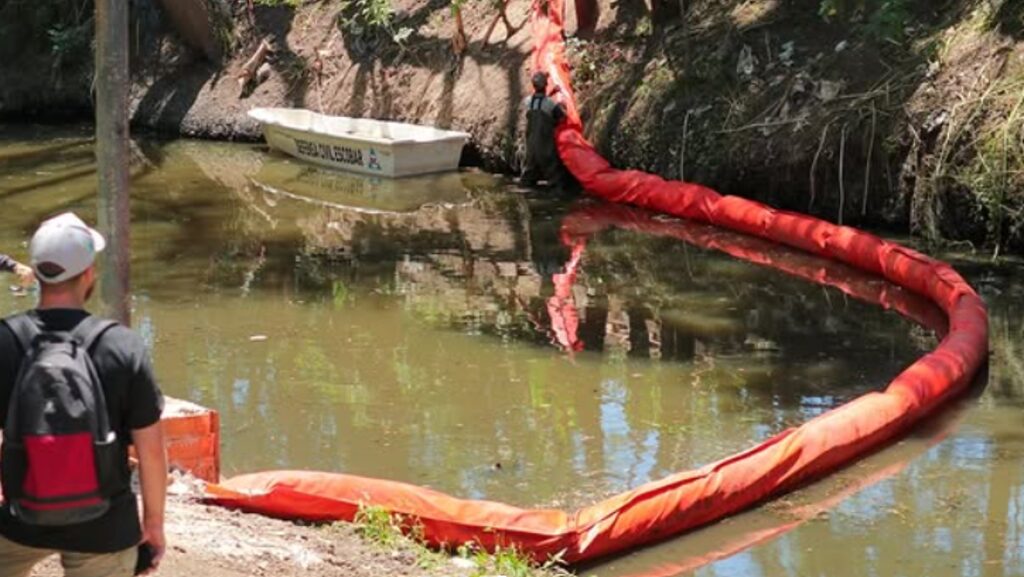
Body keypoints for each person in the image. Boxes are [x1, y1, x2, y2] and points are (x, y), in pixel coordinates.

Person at [0, 213, 167, 577]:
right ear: (89, 274)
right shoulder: (122, 346)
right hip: (106, 525)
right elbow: (151, 452)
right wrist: (153, 525)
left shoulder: (5, 340)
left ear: (38, 276)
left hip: (19, 517)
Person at [521, 71, 575, 191]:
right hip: (545, 145)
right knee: (554, 174)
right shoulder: (550, 103)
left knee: (528, 175)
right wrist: (562, 104)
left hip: (531, 145)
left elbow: (539, 103)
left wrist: (551, 94)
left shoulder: (528, 101)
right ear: (546, 85)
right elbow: (562, 117)